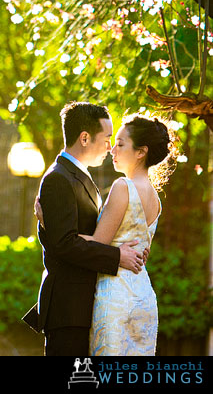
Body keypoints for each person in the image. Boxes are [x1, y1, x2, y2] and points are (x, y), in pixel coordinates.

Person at [23, 101, 144, 357]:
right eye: (107, 138)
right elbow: (64, 244)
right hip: (69, 308)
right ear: (85, 138)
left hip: (84, 305)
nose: (110, 146)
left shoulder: (79, 176)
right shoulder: (58, 178)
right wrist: (117, 256)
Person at [84, 114, 176, 356]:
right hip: (143, 296)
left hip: (116, 295)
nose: (112, 149)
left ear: (140, 152)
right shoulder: (155, 199)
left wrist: (50, 225)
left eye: (121, 143)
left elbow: (96, 245)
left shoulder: (123, 187)